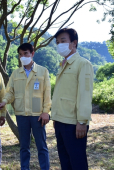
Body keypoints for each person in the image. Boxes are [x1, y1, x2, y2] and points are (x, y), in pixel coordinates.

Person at [0, 43, 51, 170]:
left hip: (37, 114)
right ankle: (24, 168)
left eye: (25, 53)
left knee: (41, 146)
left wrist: (45, 112)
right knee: (24, 146)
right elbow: (10, 92)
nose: (23, 56)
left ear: (32, 54)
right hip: (21, 114)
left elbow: (47, 93)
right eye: (20, 54)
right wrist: (4, 101)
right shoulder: (16, 73)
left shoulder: (43, 71)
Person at [51, 28, 94, 170]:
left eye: (63, 41)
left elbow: (85, 94)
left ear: (73, 43)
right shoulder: (62, 64)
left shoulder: (83, 64)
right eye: (57, 42)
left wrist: (82, 121)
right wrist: (55, 117)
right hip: (60, 120)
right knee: (65, 160)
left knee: (77, 161)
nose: (59, 45)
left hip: (73, 122)